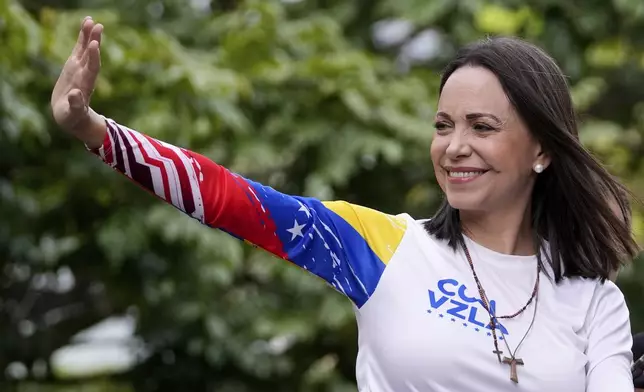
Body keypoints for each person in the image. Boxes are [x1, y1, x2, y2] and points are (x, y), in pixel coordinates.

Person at [51, 17, 640, 392]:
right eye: (443, 125)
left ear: (542, 150)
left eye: (482, 127)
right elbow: (228, 197)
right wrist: (94, 130)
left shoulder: (593, 301)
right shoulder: (382, 246)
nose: (455, 147)